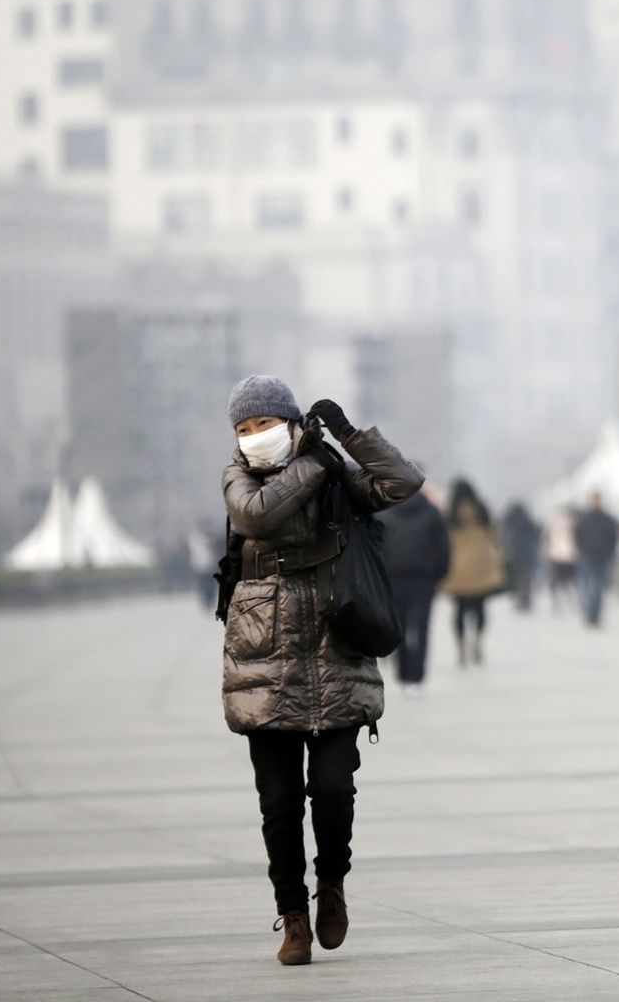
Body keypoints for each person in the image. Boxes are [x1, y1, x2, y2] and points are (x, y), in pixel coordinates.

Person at [221, 375, 421, 966]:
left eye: (264, 424)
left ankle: (331, 884)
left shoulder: (334, 470)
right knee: (279, 803)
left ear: (289, 421)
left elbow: (402, 482)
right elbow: (256, 515)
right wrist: (316, 462)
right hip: (263, 654)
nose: (254, 437)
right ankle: (294, 916)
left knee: (333, 789)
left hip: (336, 647)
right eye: (244, 428)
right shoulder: (239, 476)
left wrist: (348, 437)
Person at [379, 482, 451, 692]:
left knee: (399, 627)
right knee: (421, 627)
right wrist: (439, 573)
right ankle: (417, 677)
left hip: (394, 578)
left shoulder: (387, 512)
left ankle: (403, 674)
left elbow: (379, 546)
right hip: (424, 579)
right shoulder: (431, 512)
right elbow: (443, 547)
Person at [439, 479, 508, 666]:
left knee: (459, 609)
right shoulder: (482, 509)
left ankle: (461, 649)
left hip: (457, 565)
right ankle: (477, 640)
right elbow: (494, 535)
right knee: (480, 607)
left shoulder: (449, 511)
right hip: (480, 563)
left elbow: (441, 538)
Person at [574, 491, 619, 627]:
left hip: (603, 556)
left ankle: (595, 614)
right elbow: (577, 535)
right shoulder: (585, 519)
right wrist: (581, 550)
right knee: (587, 586)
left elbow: (614, 537)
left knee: (598, 587)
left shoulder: (607, 519)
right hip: (588, 556)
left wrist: (610, 552)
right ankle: (589, 612)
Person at [501, 501, 542, 613]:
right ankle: (526, 599)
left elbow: (503, 537)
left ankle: (520, 598)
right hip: (527, 554)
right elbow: (536, 535)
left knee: (518, 578)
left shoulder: (509, 522)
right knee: (526, 578)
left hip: (514, 554)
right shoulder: (527, 521)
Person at [544, 507, 579, 613]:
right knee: (570, 581)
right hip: (570, 556)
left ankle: (556, 602)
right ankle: (572, 602)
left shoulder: (553, 523)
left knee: (555, 581)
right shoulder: (573, 523)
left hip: (555, 555)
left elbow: (546, 538)